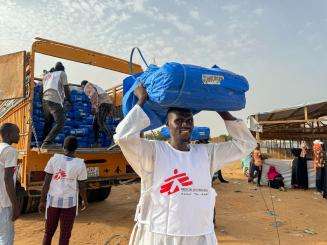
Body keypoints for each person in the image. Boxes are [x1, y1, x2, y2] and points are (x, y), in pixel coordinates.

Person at [114, 85, 257, 245]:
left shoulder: (207, 154)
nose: (185, 124)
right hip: (160, 235)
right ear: (167, 125)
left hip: (200, 235)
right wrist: (141, 100)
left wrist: (221, 109)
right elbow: (123, 138)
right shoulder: (153, 152)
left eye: (189, 120)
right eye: (178, 121)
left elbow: (246, 143)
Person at [39, 136, 88, 245]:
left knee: (48, 233)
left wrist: (42, 201)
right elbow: (82, 186)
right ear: (76, 149)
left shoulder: (54, 159)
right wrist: (84, 200)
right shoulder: (80, 164)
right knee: (65, 235)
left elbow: (46, 183)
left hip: (53, 202)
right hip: (69, 203)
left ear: (63, 147)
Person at [42, 62, 72, 148]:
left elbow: (42, 89)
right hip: (54, 100)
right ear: (63, 68)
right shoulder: (62, 73)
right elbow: (66, 88)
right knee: (60, 122)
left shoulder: (48, 75)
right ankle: (47, 142)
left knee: (48, 122)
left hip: (45, 100)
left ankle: (44, 142)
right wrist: (69, 100)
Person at [0, 123, 20, 245]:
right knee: (6, 238)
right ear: (8, 134)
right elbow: (8, 179)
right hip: (4, 203)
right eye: (17, 132)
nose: (19, 135)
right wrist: (15, 205)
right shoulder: (10, 151)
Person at [81, 80, 114, 146]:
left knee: (101, 122)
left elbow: (94, 94)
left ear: (82, 86)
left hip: (103, 104)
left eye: (82, 88)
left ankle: (113, 140)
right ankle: (96, 143)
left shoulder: (87, 86)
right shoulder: (93, 85)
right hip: (105, 104)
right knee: (95, 124)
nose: (83, 89)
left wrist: (94, 106)